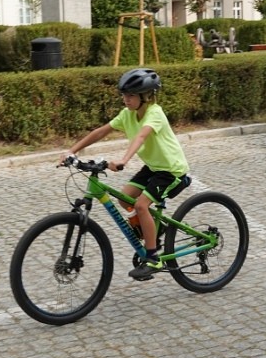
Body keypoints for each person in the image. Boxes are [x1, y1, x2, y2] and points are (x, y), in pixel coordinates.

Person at [63, 68, 190, 280]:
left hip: (171, 170)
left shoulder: (154, 113)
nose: (126, 99)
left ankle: (153, 258)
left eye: (131, 95)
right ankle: (155, 231)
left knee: (141, 206)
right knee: (124, 198)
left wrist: (124, 160)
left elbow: (140, 137)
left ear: (146, 96)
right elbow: (101, 132)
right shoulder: (127, 115)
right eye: (124, 95)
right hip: (153, 167)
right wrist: (71, 151)